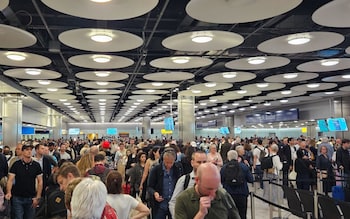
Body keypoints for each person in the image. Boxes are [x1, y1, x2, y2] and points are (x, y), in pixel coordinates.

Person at [174, 162, 240, 219]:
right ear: (197, 180)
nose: (213, 193)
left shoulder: (223, 195)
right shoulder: (183, 199)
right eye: (209, 189)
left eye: (216, 188)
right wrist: (201, 214)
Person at [5, 144, 43, 219]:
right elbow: (10, 180)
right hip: (17, 197)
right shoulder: (16, 164)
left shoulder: (36, 165)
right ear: (22, 152)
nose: (29, 152)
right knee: (18, 217)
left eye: (30, 150)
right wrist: (8, 192)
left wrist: (38, 196)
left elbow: (40, 181)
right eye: (26, 150)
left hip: (31, 197)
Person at [169, 150, 207, 218]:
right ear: (192, 163)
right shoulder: (184, 180)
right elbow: (173, 202)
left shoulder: (213, 180)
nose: (202, 165)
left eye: (204, 162)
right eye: (199, 162)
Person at [147, 148, 182, 219]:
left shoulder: (177, 169)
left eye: (171, 163)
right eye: (166, 162)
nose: (169, 165)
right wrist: (155, 193)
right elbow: (149, 187)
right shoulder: (156, 169)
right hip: (160, 204)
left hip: (173, 204)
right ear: (163, 160)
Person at [221, 150, 253, 219]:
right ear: (237, 157)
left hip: (228, 194)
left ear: (228, 157)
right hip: (242, 194)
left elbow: (221, 180)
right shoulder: (243, 167)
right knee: (242, 214)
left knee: (229, 214)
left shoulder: (224, 168)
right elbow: (251, 179)